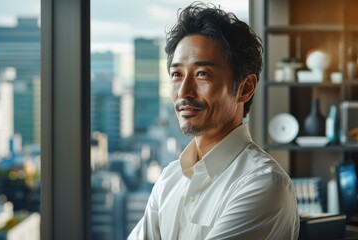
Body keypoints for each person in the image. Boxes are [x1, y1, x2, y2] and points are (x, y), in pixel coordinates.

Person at [128, 2, 299, 240]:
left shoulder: (263, 184)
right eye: (177, 75)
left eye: (202, 74)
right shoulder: (170, 178)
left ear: (245, 88)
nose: (184, 92)